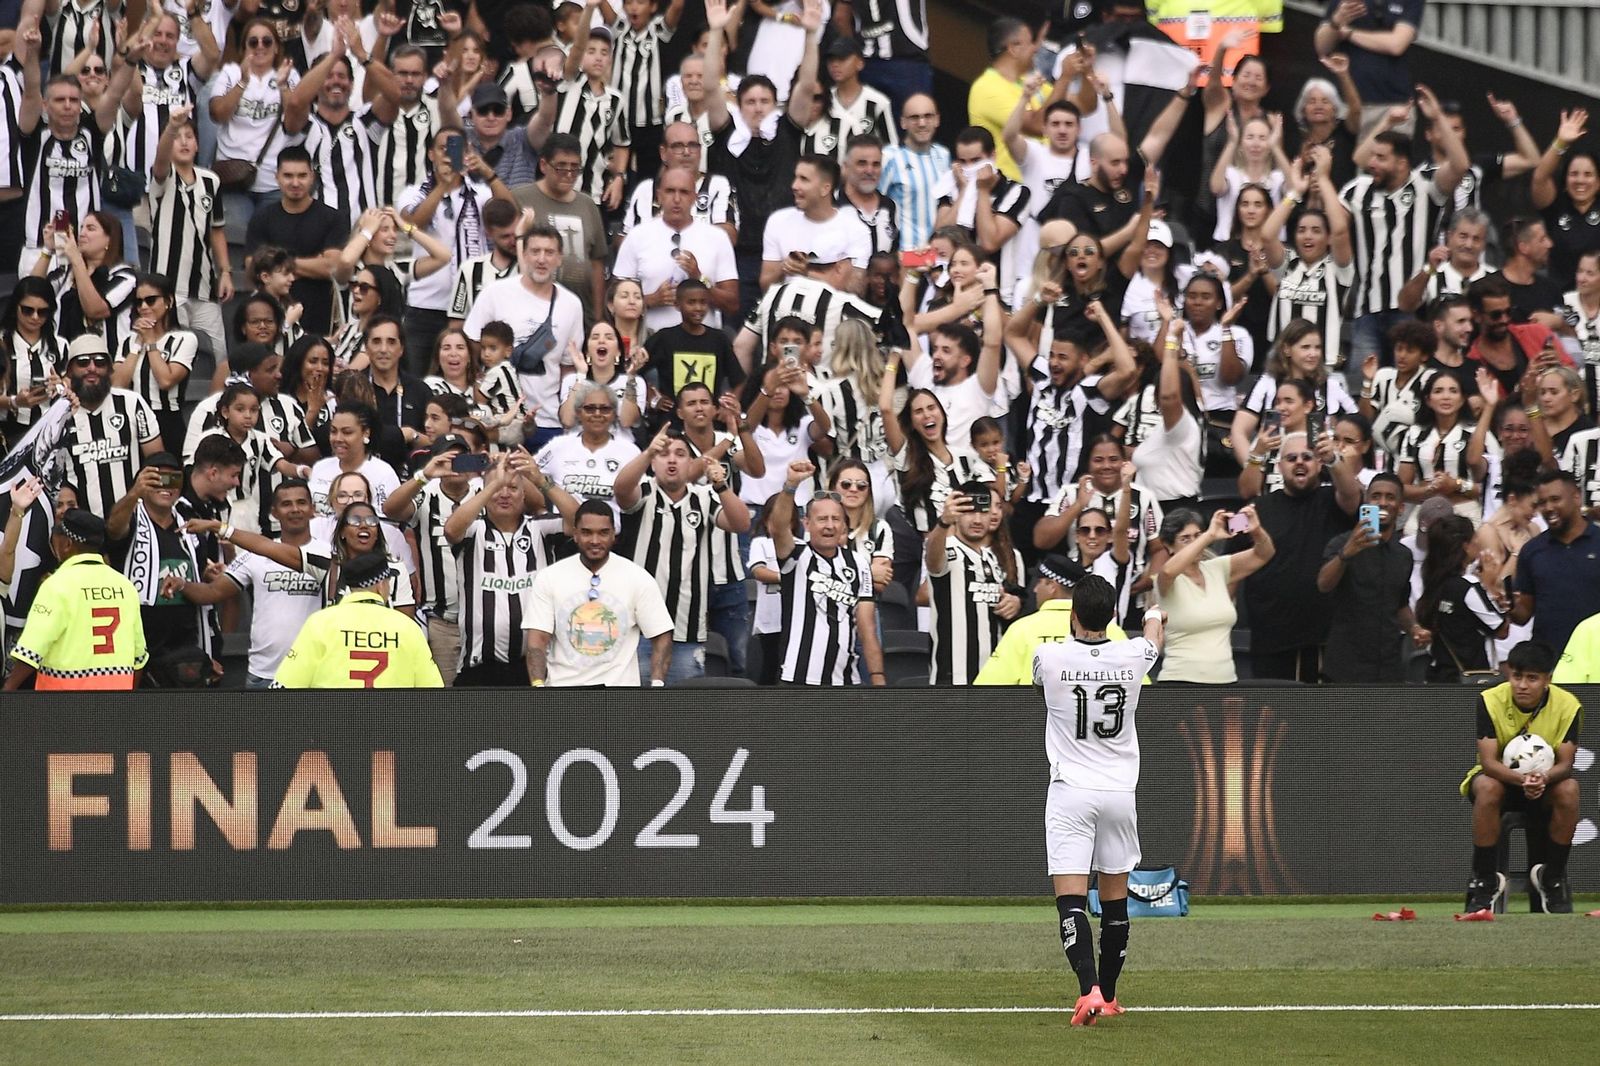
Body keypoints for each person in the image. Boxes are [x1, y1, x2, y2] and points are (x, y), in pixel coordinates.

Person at [1031, 573, 1165, 1026]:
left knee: (1070, 899)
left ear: (1073, 614)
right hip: (1118, 793)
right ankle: (1108, 996)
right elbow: (1153, 639)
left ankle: (1086, 989)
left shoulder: (1048, 657)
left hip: (1071, 790)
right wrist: (1151, 609)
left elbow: (1039, 681)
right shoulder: (1133, 656)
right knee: (1114, 901)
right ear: (1112, 617)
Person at [614, 426, 750, 683]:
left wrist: (721, 486)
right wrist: (648, 451)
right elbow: (621, 490)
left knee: (682, 715)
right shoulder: (644, 491)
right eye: (664, 454)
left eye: (680, 454)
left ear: (691, 463)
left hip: (686, 631)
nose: (672, 459)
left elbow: (741, 523)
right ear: (653, 462)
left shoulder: (706, 497)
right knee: (633, 712)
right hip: (638, 631)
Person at [1459, 641, 1582, 916]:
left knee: (1570, 789)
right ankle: (1485, 880)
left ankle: (1552, 878)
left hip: (1546, 783)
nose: (1522, 685)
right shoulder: (1490, 700)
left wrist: (1543, 778)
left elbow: (1566, 764)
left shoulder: (1568, 706)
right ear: (1509, 674)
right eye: (1517, 676)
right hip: (1502, 781)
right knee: (1487, 787)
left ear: (1547, 680)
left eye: (1532, 678)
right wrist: (1521, 780)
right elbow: (1489, 762)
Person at [164, 478, 323, 688]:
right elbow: (212, 591)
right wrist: (183, 584)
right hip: (264, 673)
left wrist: (216, 526)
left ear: (313, 509)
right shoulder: (254, 555)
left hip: (314, 672)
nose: (295, 509)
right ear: (273, 513)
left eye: (301, 502)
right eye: (286, 504)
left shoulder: (328, 554)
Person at [523, 498, 675, 687]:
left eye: (603, 533)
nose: (595, 541)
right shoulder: (549, 577)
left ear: (614, 535)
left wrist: (657, 683)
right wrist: (538, 685)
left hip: (619, 696)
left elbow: (661, 635)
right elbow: (537, 640)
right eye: (587, 533)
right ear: (575, 534)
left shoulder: (637, 577)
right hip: (563, 693)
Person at [462, 223, 586, 451]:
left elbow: (568, 366)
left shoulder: (571, 304)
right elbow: (470, 343)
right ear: (524, 255)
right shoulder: (495, 293)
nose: (542, 259)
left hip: (547, 419)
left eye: (549, 253)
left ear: (559, 258)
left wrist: (566, 412)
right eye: (535, 251)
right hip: (498, 420)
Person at [768, 458, 886, 686]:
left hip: (845, 680)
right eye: (822, 519)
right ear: (806, 524)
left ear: (844, 526)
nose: (829, 526)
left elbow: (867, 627)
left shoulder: (860, 564)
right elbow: (778, 526)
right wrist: (791, 485)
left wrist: (877, 676)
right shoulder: (795, 555)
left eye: (835, 519)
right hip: (796, 679)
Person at [443, 450, 555, 686]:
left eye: (513, 488)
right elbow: (451, 530)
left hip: (532, 668)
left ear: (524, 495)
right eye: (497, 488)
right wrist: (495, 483)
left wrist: (540, 480)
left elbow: (579, 519)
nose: (504, 493)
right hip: (480, 667)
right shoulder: (473, 530)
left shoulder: (541, 529)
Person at [4, 509, 147, 691]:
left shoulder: (57, 585)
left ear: (67, 544)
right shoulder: (125, 586)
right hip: (115, 707)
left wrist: (8, 690)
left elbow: (30, 653)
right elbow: (139, 659)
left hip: (65, 706)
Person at [273, 550, 443, 688]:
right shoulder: (407, 627)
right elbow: (433, 691)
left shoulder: (320, 623)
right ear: (381, 585)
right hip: (392, 726)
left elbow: (285, 686)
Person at [1155, 505, 1274, 684]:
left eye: (1197, 535)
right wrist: (1208, 535)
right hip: (1181, 680)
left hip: (1226, 680)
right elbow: (1169, 570)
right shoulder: (1165, 578)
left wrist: (1256, 530)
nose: (1196, 542)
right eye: (1185, 539)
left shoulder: (1217, 568)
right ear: (1168, 545)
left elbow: (1264, 554)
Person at [1315, 473, 1417, 682]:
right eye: (1376, 496)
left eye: (1390, 497)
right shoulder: (1341, 543)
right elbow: (1323, 584)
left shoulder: (1403, 555)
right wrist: (1347, 552)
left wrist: (1414, 628)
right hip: (1347, 665)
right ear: (1366, 502)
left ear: (1400, 508)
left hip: (1388, 666)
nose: (1382, 503)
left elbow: (1400, 604)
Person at [148, 105, 231, 363]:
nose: (183, 142)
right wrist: (171, 126)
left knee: (219, 355)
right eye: (177, 137)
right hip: (168, 286)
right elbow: (161, 160)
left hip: (204, 286)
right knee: (172, 353)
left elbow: (217, 230)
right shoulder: (163, 176)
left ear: (198, 144)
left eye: (189, 136)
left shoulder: (211, 181)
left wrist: (226, 271)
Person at [614, 165, 740, 332]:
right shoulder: (637, 236)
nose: (677, 199)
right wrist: (651, 300)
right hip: (650, 342)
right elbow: (612, 300)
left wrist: (699, 278)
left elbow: (732, 304)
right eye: (670, 191)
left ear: (695, 197)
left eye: (684, 192)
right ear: (659, 196)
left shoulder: (717, 238)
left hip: (701, 343)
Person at [245, 146, 351, 335]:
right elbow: (253, 267)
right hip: (273, 319)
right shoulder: (262, 218)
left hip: (320, 316)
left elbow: (332, 267)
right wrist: (313, 263)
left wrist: (278, 264)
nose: (295, 182)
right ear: (276, 177)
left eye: (302, 176)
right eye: (288, 176)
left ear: (312, 177)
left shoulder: (332, 218)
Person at [925, 484, 1020, 685]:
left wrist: (1015, 603)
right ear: (957, 514)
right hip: (953, 678)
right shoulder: (948, 549)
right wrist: (943, 523)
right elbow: (932, 561)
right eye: (969, 512)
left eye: (983, 512)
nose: (977, 520)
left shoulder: (994, 558)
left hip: (995, 678)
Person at [512, 133, 609, 325]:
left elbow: (597, 263)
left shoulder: (588, 205)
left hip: (581, 312)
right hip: (532, 308)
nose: (568, 174)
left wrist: (598, 316)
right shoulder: (520, 199)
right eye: (561, 167)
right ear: (543, 165)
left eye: (575, 168)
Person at [1510, 470, 1600, 654]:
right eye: (1542, 503)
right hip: (1548, 661)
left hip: (1594, 658)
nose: (1548, 507)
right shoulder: (1532, 550)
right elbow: (1523, 615)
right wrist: (1507, 604)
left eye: (1555, 499)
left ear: (1576, 497)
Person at [1417, 514, 1510, 683]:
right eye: (1474, 538)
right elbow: (1502, 630)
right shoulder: (1467, 587)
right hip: (1468, 680)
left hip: (1437, 676)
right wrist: (1490, 586)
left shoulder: (1434, 583)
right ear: (1466, 546)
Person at [879, 93, 950, 253]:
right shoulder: (889, 157)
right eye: (914, 117)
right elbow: (876, 205)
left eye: (928, 116)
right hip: (904, 254)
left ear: (937, 120)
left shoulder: (943, 155)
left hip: (937, 256)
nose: (922, 123)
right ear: (903, 122)